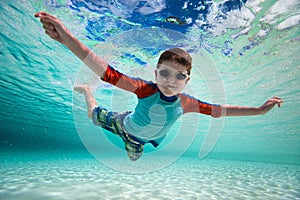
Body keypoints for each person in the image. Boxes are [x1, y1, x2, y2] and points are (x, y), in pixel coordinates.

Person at [34, 12, 283, 161]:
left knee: (133, 158)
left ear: (187, 81)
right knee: (92, 117)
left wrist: (260, 110)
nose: (169, 81)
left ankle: (133, 143)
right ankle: (89, 93)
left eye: (178, 76)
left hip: (139, 140)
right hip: (123, 123)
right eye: (164, 73)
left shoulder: (188, 103)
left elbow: (223, 110)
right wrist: (67, 38)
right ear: (155, 74)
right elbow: (105, 70)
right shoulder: (146, 89)